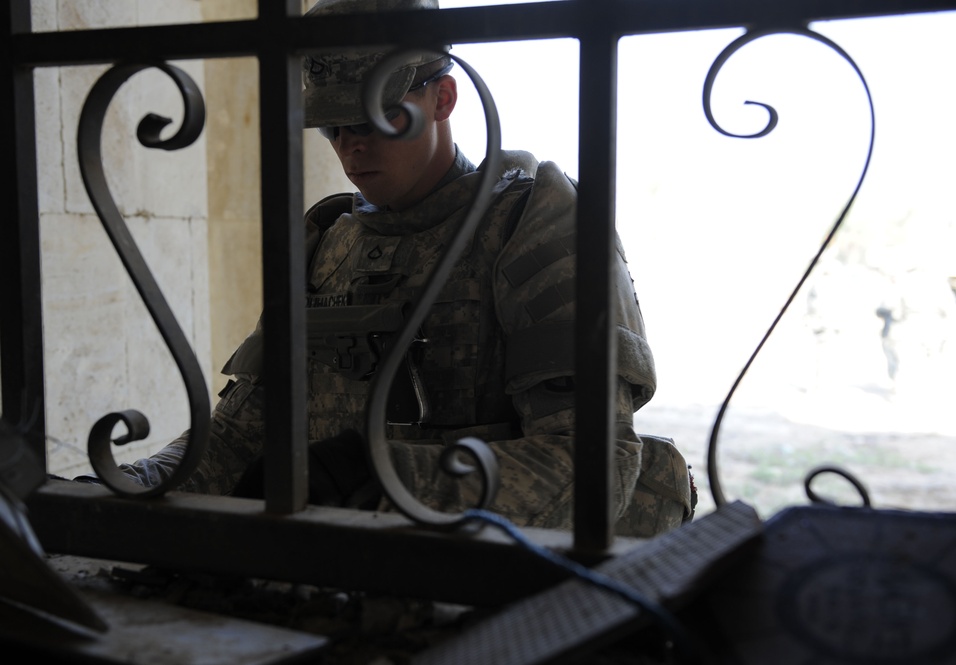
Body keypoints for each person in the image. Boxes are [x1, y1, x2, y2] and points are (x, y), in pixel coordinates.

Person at [106, 0, 694, 536]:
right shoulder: (324, 241)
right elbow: (241, 435)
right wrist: (130, 489)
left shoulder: (535, 221)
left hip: (503, 574)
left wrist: (379, 477)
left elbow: (594, 462)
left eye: (371, 120)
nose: (349, 148)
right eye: (335, 128)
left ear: (443, 98)